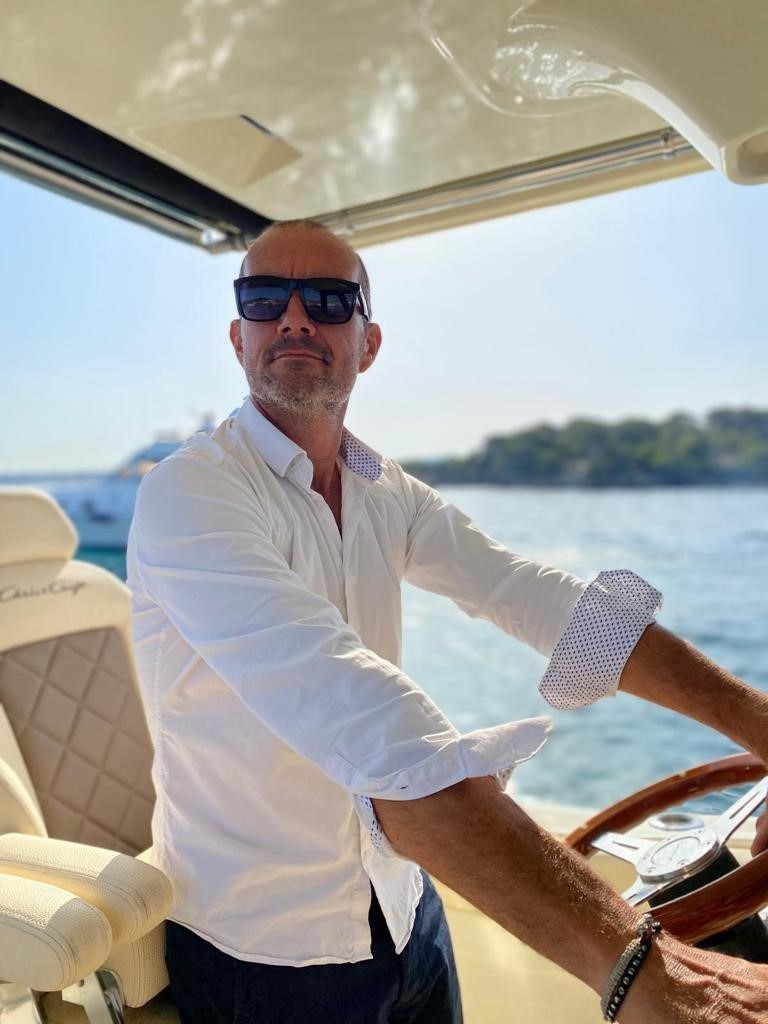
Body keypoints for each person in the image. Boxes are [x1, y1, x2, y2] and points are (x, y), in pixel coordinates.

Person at [127, 219, 768, 1024]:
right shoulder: (192, 492)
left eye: (327, 299)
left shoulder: (383, 490)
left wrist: (760, 725)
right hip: (266, 953)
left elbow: (535, 597)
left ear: (368, 344)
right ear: (238, 336)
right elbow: (364, 717)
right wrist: (647, 970)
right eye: (264, 298)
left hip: (404, 910)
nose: (294, 318)